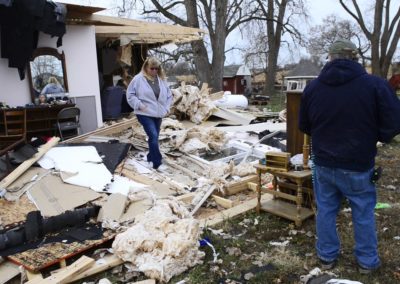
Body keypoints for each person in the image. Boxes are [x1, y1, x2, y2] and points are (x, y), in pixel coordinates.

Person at [299, 39, 400, 273]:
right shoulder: (374, 85)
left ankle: (326, 257)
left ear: (330, 58)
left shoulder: (313, 88)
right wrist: (378, 136)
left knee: (325, 210)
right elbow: (394, 122)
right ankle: (366, 261)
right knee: (363, 211)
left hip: (323, 163)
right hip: (358, 163)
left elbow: (305, 125)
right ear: (354, 58)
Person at [126, 57, 173, 171]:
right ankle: (157, 163)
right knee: (153, 135)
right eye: (152, 68)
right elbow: (130, 95)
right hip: (144, 113)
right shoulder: (138, 79)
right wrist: (140, 105)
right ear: (146, 67)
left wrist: (166, 108)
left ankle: (150, 158)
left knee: (154, 138)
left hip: (158, 114)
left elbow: (169, 95)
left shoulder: (161, 79)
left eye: (157, 68)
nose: (154, 71)